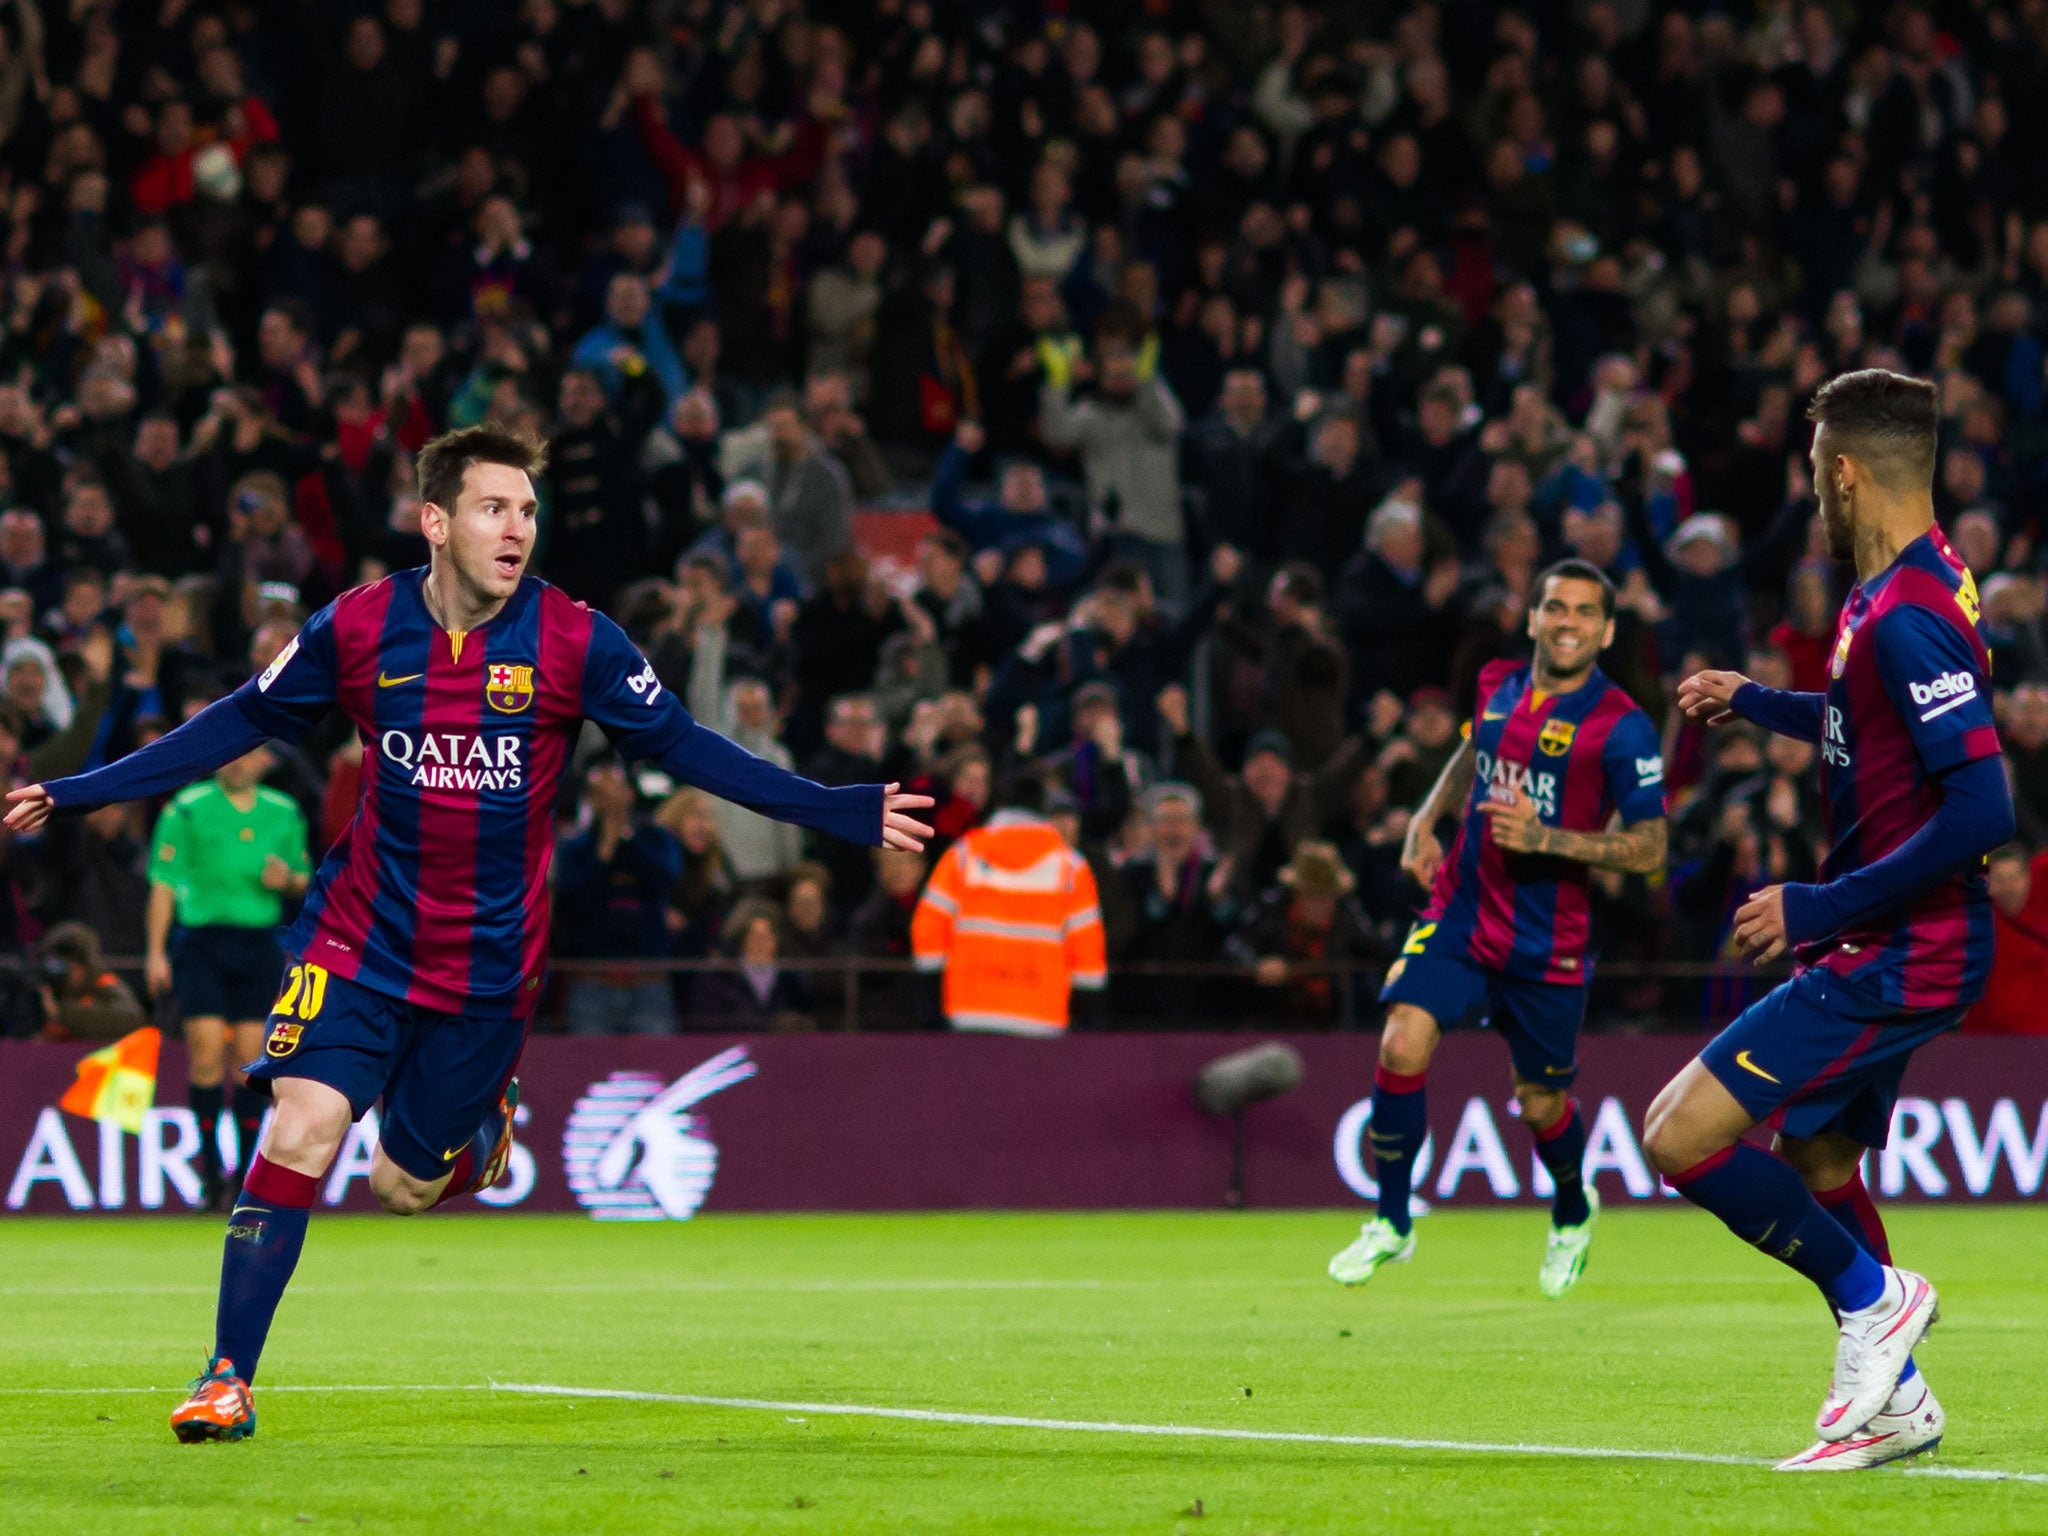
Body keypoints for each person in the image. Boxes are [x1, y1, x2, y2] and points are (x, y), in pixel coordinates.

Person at [3, 424, 933, 1443]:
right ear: (434, 520)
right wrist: (80, 791)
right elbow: (234, 723)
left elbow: (688, 747)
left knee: (399, 1184)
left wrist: (834, 810)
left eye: (529, 510)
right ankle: (227, 1375)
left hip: (488, 971)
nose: (518, 529)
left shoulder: (576, 640)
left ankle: (482, 1124)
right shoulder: (358, 627)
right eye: (496, 508)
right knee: (302, 1126)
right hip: (356, 940)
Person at [1651, 371, 2012, 1472]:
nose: (1810, 491)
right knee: (1813, 1152)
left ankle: (1876, 1299)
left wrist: (1816, 905)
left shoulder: (1901, 619)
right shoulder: (1918, 584)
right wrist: (1751, 698)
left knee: (1675, 1136)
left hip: (1903, 948)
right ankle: (1894, 1403)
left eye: (1814, 471)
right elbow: (1870, 728)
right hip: (1886, 938)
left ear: (1844, 472)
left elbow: (1981, 808)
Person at [1328, 559, 1667, 1299]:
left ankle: (1573, 1211)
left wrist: (1550, 840)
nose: (1567, 622)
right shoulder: (1496, 684)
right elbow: (1472, 753)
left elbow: (1650, 848)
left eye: (1584, 612)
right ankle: (1391, 1220)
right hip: (1462, 908)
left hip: (1548, 939)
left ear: (1606, 631)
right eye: (1555, 608)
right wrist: (1426, 816)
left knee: (1541, 1101)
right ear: (1532, 618)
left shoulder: (1621, 727)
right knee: (1401, 1038)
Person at [146, 745, 312, 1209]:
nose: (239, 761)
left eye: (249, 753)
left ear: (266, 761)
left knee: (247, 1060)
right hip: (201, 942)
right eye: (232, 752)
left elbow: (303, 877)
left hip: (258, 944)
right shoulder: (187, 807)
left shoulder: (284, 811)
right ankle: (210, 1173)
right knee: (203, 1051)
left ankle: (243, 1174)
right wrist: (156, 951)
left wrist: (289, 881)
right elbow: (162, 881)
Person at [910, 776, 1105, 1035]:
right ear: (1043, 809)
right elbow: (1087, 949)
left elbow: (928, 930)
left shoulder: (962, 856)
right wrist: (1087, 1016)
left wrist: (930, 1002)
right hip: (1041, 1015)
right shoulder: (1071, 868)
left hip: (970, 1010)